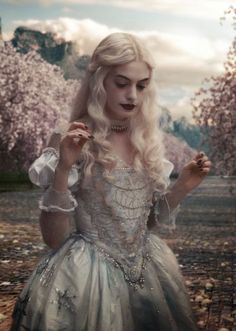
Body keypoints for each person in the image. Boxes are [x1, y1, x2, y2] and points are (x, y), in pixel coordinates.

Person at [11, 32, 211, 331]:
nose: (132, 95)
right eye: (122, 83)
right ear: (99, 81)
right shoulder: (70, 137)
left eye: (141, 85)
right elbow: (53, 240)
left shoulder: (146, 139)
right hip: (85, 278)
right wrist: (64, 166)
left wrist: (182, 185)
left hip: (148, 271)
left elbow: (144, 225)